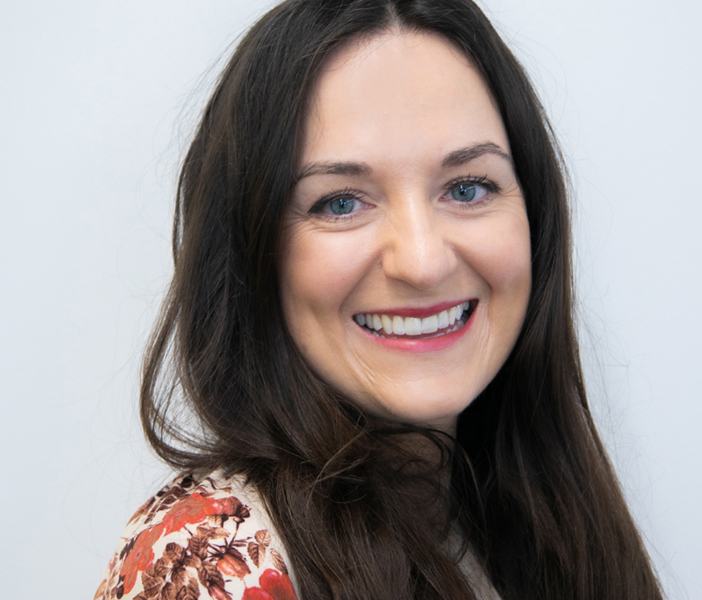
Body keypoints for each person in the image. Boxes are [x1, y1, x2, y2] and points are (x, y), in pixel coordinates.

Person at [96, 1, 664, 598]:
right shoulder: (211, 562)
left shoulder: (528, 519)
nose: (422, 262)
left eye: (468, 187)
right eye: (340, 201)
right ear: (250, 253)